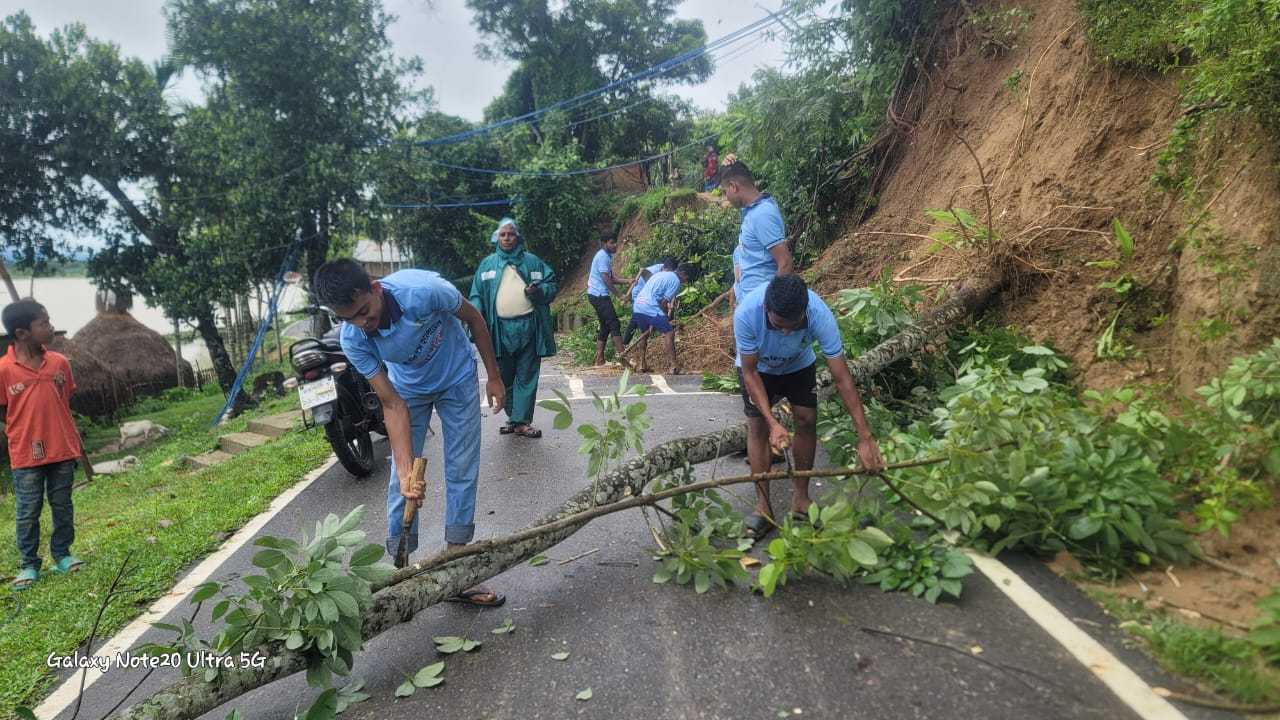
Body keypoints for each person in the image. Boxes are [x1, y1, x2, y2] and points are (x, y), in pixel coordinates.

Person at [312, 259, 506, 607]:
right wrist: (404, 469)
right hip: (407, 393)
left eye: (364, 312)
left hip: (457, 378)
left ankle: (456, 564)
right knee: (400, 484)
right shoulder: (353, 338)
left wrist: (493, 376)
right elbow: (391, 405)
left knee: (462, 467)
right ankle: (400, 569)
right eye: (349, 318)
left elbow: (475, 320)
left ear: (375, 288)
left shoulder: (425, 291)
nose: (361, 323)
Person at [734, 274, 885, 540]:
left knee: (806, 419)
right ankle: (763, 508)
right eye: (778, 325)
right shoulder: (746, 312)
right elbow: (749, 372)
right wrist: (773, 423)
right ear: (766, 310)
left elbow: (842, 378)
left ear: (804, 312)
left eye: (793, 326)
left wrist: (865, 436)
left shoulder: (819, 314)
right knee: (757, 426)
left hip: (798, 365)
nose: (786, 332)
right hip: (759, 370)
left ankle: (801, 501)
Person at [2, 299, 93, 590]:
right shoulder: (4, 370)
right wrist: (23, 428)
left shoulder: (59, 363)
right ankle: (29, 565)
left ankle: (63, 554)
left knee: (62, 505)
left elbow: (64, 398)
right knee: (28, 509)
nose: (51, 326)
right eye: (43, 323)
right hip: (26, 453)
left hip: (62, 448)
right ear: (22, 333)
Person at [469, 218, 558, 439]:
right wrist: (476, 316)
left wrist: (538, 292)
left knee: (527, 375)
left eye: (511, 234)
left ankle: (521, 421)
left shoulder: (533, 262)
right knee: (503, 376)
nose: (507, 238)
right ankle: (514, 416)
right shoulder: (487, 265)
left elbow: (551, 284)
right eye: (503, 234)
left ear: (517, 237)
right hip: (499, 330)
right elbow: (476, 295)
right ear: (497, 238)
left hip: (529, 326)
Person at [721, 161, 793, 303]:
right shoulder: (752, 211)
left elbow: (785, 263)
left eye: (725, 192)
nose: (725, 197)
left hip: (760, 305)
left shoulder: (762, 214)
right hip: (750, 303)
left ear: (733, 187)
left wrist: (769, 305)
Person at [631, 263, 697, 374]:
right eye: (686, 279)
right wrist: (665, 317)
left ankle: (642, 364)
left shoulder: (662, 274)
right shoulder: (675, 281)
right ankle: (674, 366)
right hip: (649, 305)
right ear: (683, 273)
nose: (685, 282)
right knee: (669, 332)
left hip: (638, 304)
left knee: (644, 334)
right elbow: (663, 303)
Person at [585, 230, 629, 366]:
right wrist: (620, 295)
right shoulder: (603, 257)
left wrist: (628, 281)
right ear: (604, 244)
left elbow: (611, 278)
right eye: (611, 243)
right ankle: (624, 358)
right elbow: (606, 280)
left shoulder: (606, 256)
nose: (615, 245)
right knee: (614, 323)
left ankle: (599, 359)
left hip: (595, 294)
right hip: (599, 295)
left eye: (615, 242)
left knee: (605, 325)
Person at [623, 256, 677, 345]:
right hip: (640, 294)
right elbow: (651, 289)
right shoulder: (654, 272)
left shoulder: (667, 272)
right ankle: (625, 344)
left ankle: (662, 333)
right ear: (664, 267)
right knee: (636, 318)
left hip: (650, 295)